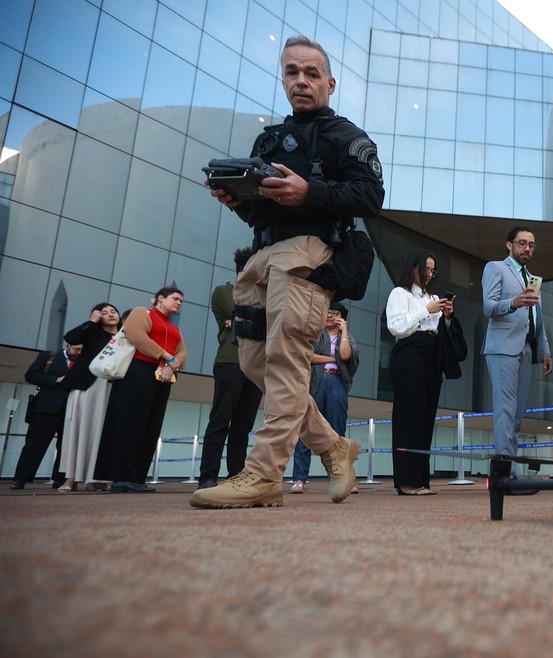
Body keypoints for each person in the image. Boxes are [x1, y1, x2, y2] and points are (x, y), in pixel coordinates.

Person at [192, 35, 384, 509]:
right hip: (261, 257)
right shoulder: (269, 139)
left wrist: (311, 192)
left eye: (311, 73)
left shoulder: (349, 137)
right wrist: (237, 200)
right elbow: (264, 213)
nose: (301, 80)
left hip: (308, 257)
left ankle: (263, 475)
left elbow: (371, 198)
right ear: (283, 78)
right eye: (292, 72)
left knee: (285, 363)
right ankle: (335, 447)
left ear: (330, 82)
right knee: (256, 363)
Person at [95, 288, 187, 493]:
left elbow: (182, 353)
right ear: (160, 298)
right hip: (138, 370)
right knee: (130, 424)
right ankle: (121, 478)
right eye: (175, 298)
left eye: (181, 300)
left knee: (151, 427)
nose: (179, 302)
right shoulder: (143, 313)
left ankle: (137, 477)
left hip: (164, 375)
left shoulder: (175, 328)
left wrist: (170, 366)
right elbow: (137, 336)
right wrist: (167, 357)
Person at [481, 227, 553, 485]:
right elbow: (489, 307)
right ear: (509, 245)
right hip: (502, 348)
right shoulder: (496, 268)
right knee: (505, 410)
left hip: (526, 349)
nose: (527, 249)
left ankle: (508, 469)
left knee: (517, 413)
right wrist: (514, 302)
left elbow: (538, 319)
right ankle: (504, 475)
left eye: (532, 245)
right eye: (522, 243)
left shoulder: (532, 279)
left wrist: (544, 351)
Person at [386, 250, 454, 496]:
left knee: (426, 420)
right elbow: (396, 326)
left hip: (431, 356)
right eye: (426, 268)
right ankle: (406, 482)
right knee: (408, 419)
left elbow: (440, 330)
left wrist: (446, 316)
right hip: (409, 354)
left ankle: (421, 480)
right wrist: (427, 310)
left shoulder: (433, 296)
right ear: (413, 268)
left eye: (433, 270)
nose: (430, 273)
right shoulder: (400, 293)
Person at [197, 248, 264, 490]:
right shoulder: (224, 291)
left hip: (256, 365)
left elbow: (259, 320)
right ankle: (207, 476)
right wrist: (249, 319)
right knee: (220, 419)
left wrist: (242, 321)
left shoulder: (263, 295)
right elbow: (251, 317)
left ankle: (237, 474)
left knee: (243, 426)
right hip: (231, 361)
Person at [291, 303, 359, 493]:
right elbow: (307, 356)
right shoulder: (316, 334)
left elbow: (345, 355)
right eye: (327, 312)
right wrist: (331, 359)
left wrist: (343, 329)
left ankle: (341, 478)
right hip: (316, 383)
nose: (329, 316)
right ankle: (298, 479)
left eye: (335, 313)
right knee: (306, 430)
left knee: (337, 432)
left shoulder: (348, 338)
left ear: (342, 317)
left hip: (337, 384)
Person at [58, 303, 121, 492]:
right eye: (104, 312)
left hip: (111, 387)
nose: (110, 314)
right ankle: (71, 478)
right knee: (78, 429)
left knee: (103, 432)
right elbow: (71, 337)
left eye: (113, 311)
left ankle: (101, 477)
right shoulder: (93, 332)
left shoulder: (126, 336)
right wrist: (92, 321)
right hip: (87, 385)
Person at [9, 343, 81, 490]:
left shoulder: (84, 361)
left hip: (71, 409)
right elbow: (30, 375)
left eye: (81, 349)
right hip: (46, 408)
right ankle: (21, 479)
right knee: (35, 444)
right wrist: (55, 380)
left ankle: (59, 480)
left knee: (65, 447)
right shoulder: (49, 356)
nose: (78, 351)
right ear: (68, 345)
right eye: (76, 348)